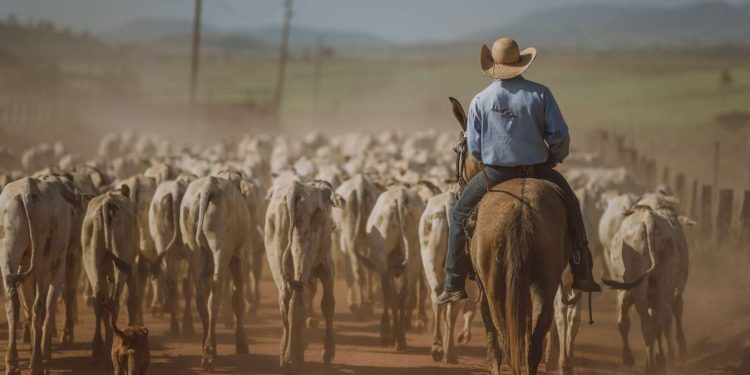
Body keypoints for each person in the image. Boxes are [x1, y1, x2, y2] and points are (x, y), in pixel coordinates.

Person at [436, 37, 601, 305]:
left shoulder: (480, 99)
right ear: (521, 63)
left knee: (459, 215)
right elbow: (559, 136)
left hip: (495, 174)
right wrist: (553, 159)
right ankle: (582, 270)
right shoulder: (541, 93)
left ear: (493, 65)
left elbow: (475, 148)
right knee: (572, 205)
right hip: (538, 172)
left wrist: (493, 158)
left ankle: (454, 281)